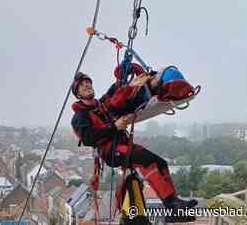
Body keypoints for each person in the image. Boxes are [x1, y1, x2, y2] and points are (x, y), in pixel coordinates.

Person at [71, 72, 197, 223]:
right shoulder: (80, 116)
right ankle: (171, 204)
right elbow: (88, 138)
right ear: (77, 93)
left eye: (88, 82)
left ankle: (174, 207)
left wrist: (126, 80)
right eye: (82, 85)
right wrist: (115, 126)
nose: (86, 85)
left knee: (161, 163)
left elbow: (113, 93)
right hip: (111, 150)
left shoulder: (101, 105)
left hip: (123, 145)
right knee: (145, 160)